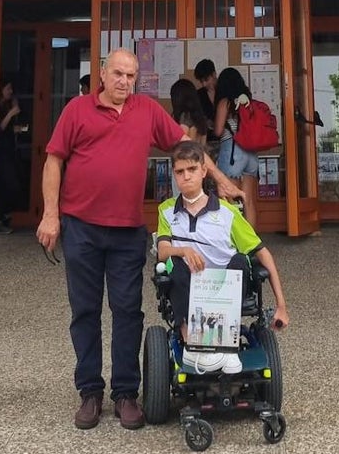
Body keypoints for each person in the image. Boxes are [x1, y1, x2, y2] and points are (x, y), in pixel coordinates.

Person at [35, 48, 243, 432]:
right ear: (102, 74)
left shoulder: (146, 111)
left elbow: (187, 146)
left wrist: (222, 180)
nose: (124, 82)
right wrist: (51, 214)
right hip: (81, 227)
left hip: (128, 230)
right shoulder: (76, 111)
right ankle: (90, 392)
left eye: (131, 76)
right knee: (84, 311)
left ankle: (126, 393)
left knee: (128, 312)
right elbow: (54, 160)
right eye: (117, 74)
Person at [156, 141, 289, 374]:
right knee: (174, 264)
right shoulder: (166, 210)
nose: (186, 176)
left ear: (204, 171)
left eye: (192, 169)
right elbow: (163, 250)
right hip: (190, 286)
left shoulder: (228, 213)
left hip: (224, 289)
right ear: (174, 175)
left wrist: (281, 305)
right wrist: (184, 250)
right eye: (180, 171)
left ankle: (224, 340)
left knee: (239, 259)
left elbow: (263, 252)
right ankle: (193, 342)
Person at [213, 68, 261, 228]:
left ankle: (234, 240)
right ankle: (252, 243)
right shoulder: (249, 103)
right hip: (251, 153)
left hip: (233, 151)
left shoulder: (225, 102)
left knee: (230, 199)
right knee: (249, 201)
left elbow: (219, 131)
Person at [170, 78, 208, 196]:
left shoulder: (184, 117)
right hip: (198, 165)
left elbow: (181, 141)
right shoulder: (200, 118)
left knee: (181, 201)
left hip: (183, 164)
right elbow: (203, 145)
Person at [0, 78, 22, 234]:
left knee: (12, 184)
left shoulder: (9, 104)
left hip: (10, 150)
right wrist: (11, 114)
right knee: (5, 184)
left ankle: (4, 217)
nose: (10, 92)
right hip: (0, 151)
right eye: (8, 88)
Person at [193, 59, 218, 142]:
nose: (204, 84)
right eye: (201, 81)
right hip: (206, 142)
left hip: (227, 141)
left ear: (214, 74)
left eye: (206, 80)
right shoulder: (198, 95)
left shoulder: (225, 91)